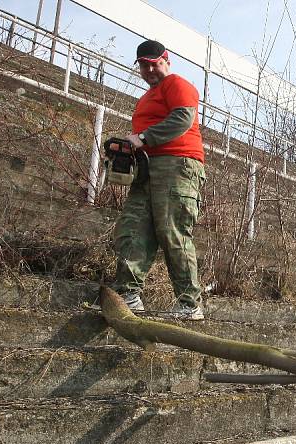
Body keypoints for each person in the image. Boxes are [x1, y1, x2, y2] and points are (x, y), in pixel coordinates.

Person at [111, 39, 206, 320]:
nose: (149, 69)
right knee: (134, 226)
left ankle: (189, 304)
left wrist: (142, 138)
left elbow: (182, 119)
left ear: (166, 61)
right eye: (144, 65)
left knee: (172, 230)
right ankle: (128, 295)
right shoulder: (147, 97)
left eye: (155, 64)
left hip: (178, 165)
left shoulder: (178, 84)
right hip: (148, 166)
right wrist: (126, 148)